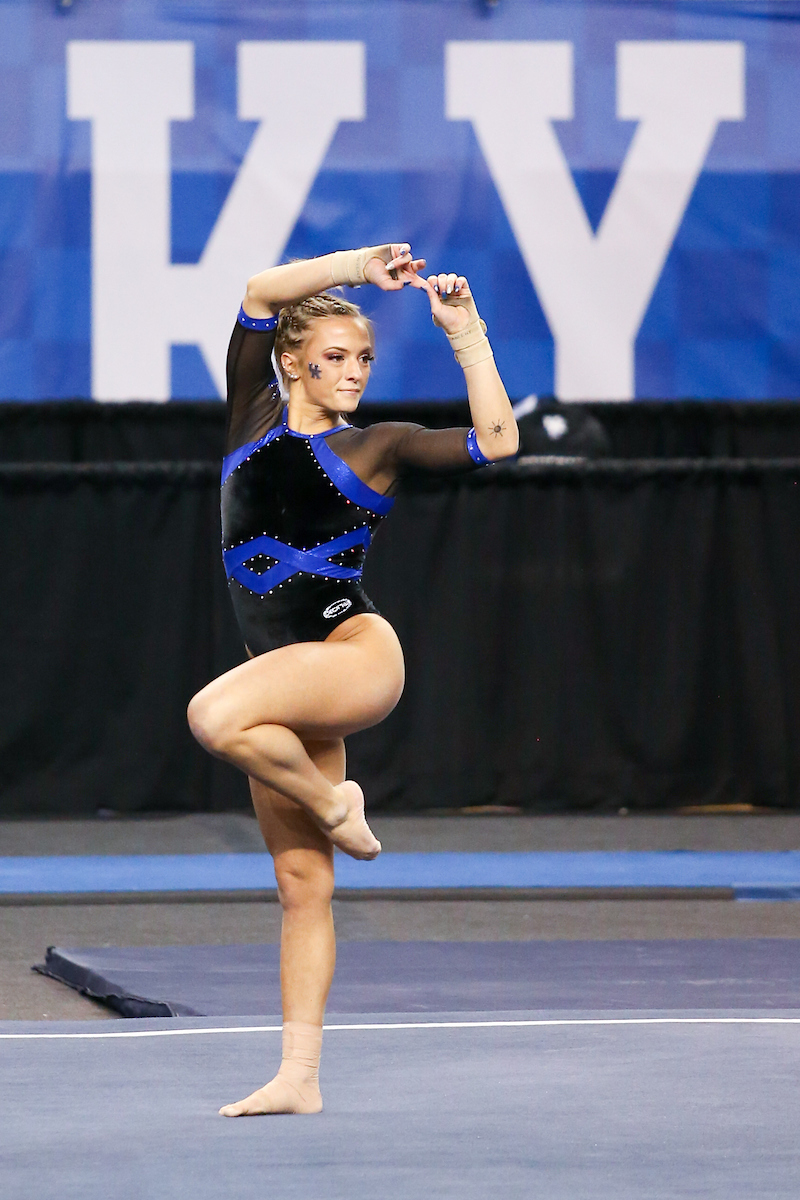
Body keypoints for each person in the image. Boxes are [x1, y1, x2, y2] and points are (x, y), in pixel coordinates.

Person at [187, 243, 518, 1116]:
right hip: (286, 680)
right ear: (289, 362)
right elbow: (259, 290)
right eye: (334, 357)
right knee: (303, 886)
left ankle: (340, 806)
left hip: (355, 657)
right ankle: (299, 1076)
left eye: (364, 358)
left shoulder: (378, 446)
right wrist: (359, 266)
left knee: (214, 714)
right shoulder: (249, 423)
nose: (353, 373)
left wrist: (466, 333)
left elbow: (497, 440)